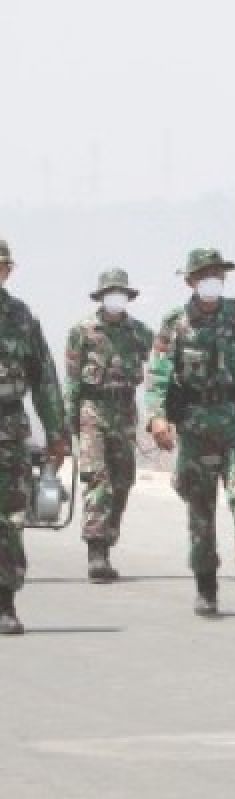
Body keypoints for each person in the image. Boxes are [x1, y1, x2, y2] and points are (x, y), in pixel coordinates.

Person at [144, 248, 235, 619]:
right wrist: (157, 418)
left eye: (218, 273)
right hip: (196, 427)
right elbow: (157, 374)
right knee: (201, 509)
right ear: (190, 281)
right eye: (205, 274)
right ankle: (206, 586)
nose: (212, 280)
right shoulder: (175, 323)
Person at [63, 268, 154, 583]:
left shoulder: (140, 333)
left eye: (121, 293)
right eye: (111, 292)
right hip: (93, 410)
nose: (116, 298)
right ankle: (96, 551)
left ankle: (108, 536)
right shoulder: (82, 331)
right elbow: (73, 379)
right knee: (98, 478)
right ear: (101, 297)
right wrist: (68, 423)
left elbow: (160, 367)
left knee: (123, 481)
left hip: (125, 411)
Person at [0, 239, 71, 635]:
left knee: (9, 519)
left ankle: (5, 602)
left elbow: (44, 378)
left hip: (8, 429)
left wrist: (57, 433)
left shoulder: (21, 318)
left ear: (7, 272)